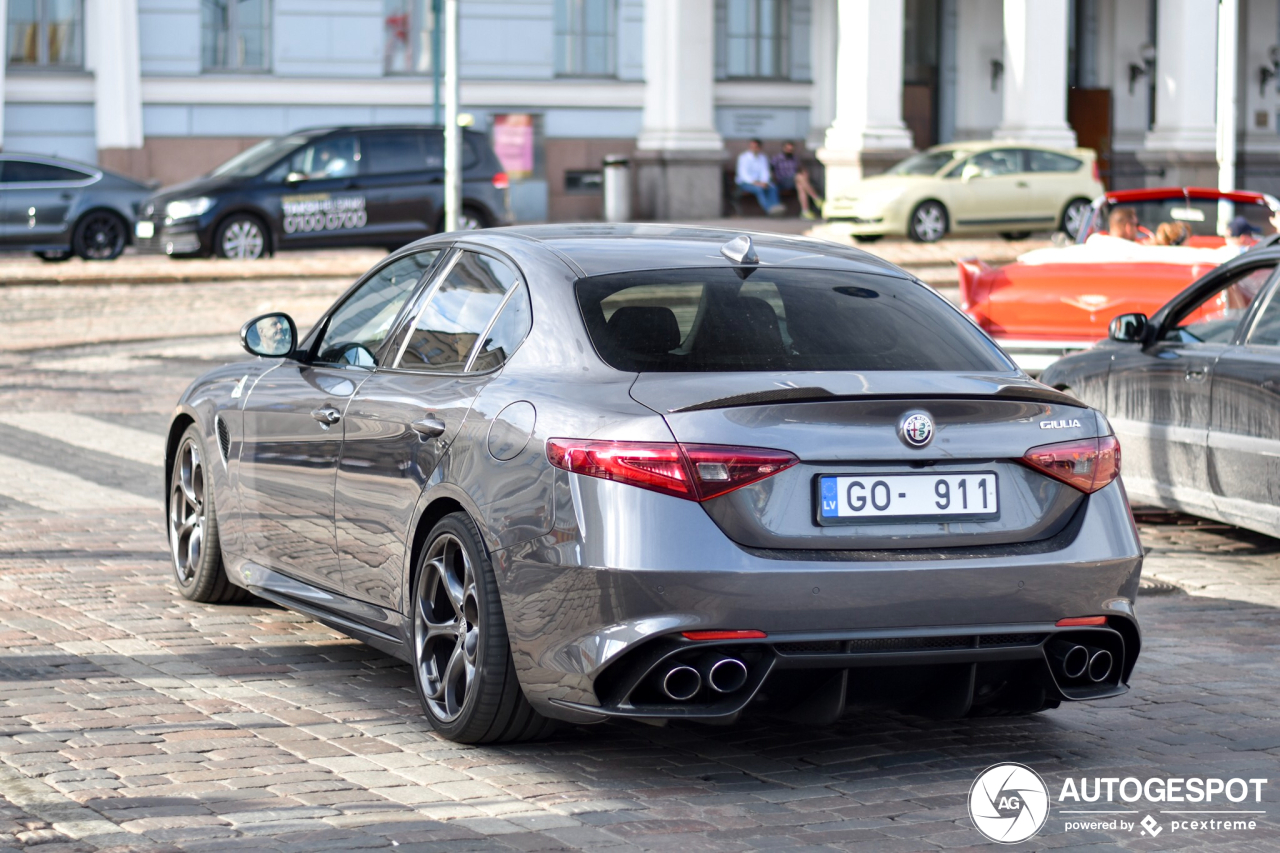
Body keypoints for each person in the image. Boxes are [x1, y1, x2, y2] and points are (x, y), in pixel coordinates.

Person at [770, 141, 823, 220]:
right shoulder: (777, 158)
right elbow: (771, 170)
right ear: (783, 148)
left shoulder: (795, 158)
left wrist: (805, 174)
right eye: (787, 149)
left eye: (791, 149)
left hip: (795, 181)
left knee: (801, 186)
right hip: (783, 181)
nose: (789, 151)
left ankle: (805, 212)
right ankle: (816, 198)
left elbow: (801, 169)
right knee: (798, 177)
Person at [736, 138, 785, 216]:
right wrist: (756, 183)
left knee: (773, 187)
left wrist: (764, 182)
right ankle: (769, 209)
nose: (753, 149)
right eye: (751, 147)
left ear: (759, 148)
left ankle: (776, 207)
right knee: (759, 189)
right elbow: (743, 174)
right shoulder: (743, 157)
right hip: (746, 183)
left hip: (761, 182)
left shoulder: (763, 157)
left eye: (755, 147)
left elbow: (765, 171)